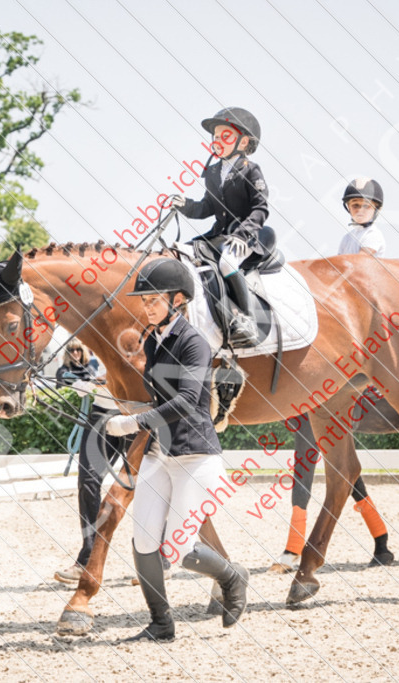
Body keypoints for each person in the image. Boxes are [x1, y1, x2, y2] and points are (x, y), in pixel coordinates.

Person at [105, 259, 249, 641]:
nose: (147, 307)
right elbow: (159, 398)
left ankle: (232, 577)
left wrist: (135, 423)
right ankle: (161, 623)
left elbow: (186, 400)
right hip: (160, 454)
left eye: (153, 300)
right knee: (143, 540)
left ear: (178, 299)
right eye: (144, 301)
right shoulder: (153, 341)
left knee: (179, 546)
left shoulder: (194, 343)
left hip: (196, 457)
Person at [271, 177, 394, 573]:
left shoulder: (374, 238)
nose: (358, 209)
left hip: (369, 306)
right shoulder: (348, 237)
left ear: (375, 208)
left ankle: (374, 378)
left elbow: (360, 277)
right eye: (353, 204)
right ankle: (379, 537)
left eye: (364, 204)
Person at [171, 106, 269, 346]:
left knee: (227, 262)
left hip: (245, 237)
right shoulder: (213, 172)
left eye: (225, 136)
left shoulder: (251, 170)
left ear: (243, 141)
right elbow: (207, 207)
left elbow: (260, 208)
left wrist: (243, 234)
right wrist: (186, 205)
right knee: (182, 254)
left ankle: (246, 319)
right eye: (215, 136)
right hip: (218, 236)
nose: (217, 141)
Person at [54, 342, 136, 585]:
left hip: (135, 413)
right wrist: (88, 383)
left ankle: (157, 559)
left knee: (146, 485)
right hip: (102, 412)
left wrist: (103, 380)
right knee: (87, 481)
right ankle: (87, 558)